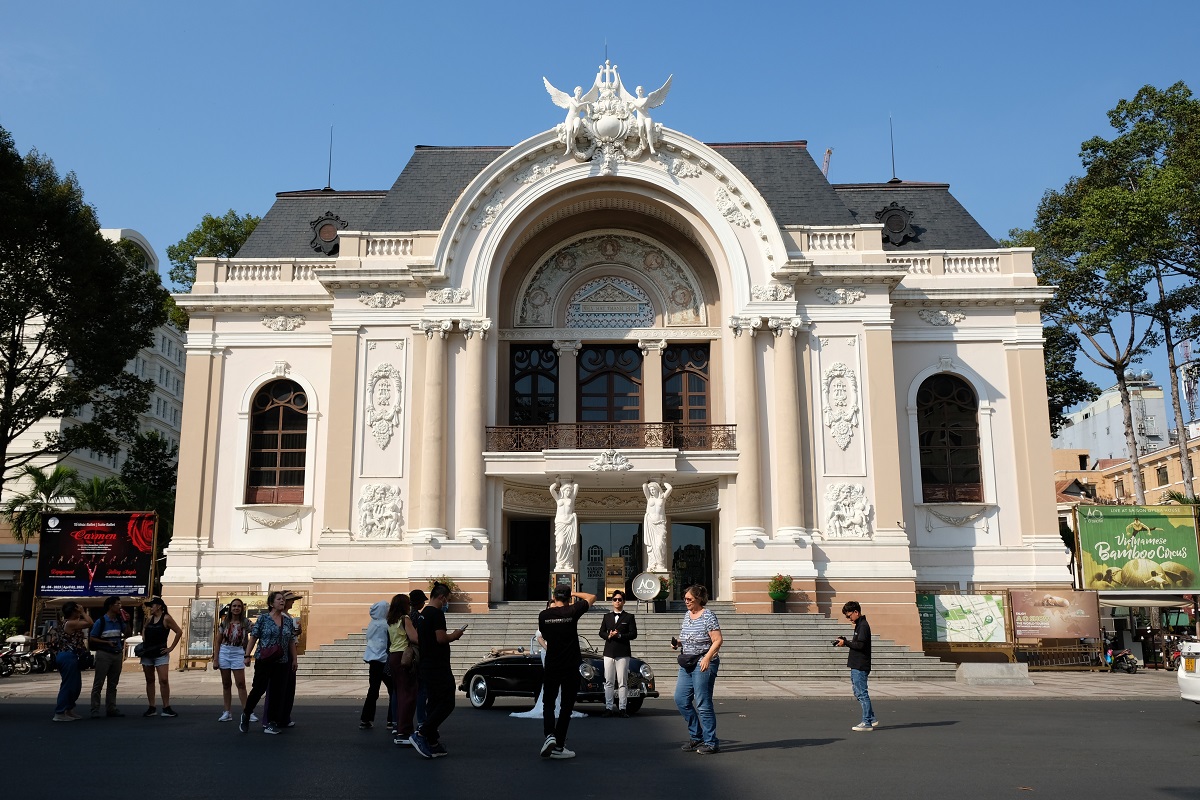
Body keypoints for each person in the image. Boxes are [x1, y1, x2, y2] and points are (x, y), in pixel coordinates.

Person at [537, 585, 596, 759]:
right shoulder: (572, 611)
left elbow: (545, 636)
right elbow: (592, 597)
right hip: (570, 665)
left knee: (548, 702)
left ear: (554, 597)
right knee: (566, 706)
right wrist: (575, 593)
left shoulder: (544, 615)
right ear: (569, 598)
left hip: (552, 664)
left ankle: (549, 735)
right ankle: (559, 745)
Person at [410, 582, 465, 759]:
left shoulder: (423, 614)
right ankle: (422, 734)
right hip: (438, 666)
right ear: (441, 597)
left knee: (433, 703)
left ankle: (432, 742)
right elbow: (440, 638)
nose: (446, 603)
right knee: (447, 702)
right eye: (446, 600)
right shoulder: (437, 614)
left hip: (426, 664)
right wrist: (455, 635)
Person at [672, 584, 722, 754]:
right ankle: (697, 736)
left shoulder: (708, 616)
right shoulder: (687, 615)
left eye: (689, 599)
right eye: (685, 599)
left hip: (703, 663)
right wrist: (678, 643)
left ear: (699, 599)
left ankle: (711, 742)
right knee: (680, 699)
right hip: (687, 662)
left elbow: (717, 640)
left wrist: (707, 658)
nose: (686, 601)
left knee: (703, 703)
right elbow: (688, 637)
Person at [240, 590, 298, 735]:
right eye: (279, 599)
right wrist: (247, 655)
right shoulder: (263, 619)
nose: (282, 601)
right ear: (271, 603)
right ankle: (246, 713)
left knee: (277, 692)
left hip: (282, 661)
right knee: (259, 689)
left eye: (283, 599)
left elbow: (291, 641)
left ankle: (271, 723)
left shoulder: (287, 621)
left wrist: (294, 659)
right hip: (264, 659)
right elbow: (254, 637)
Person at [835, 600, 877, 731]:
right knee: (858, 692)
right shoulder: (859, 625)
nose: (849, 619)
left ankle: (867, 722)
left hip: (860, 665)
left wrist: (846, 643)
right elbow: (858, 643)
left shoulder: (863, 626)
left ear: (856, 612)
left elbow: (860, 645)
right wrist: (845, 641)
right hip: (857, 664)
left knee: (862, 693)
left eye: (849, 616)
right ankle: (871, 718)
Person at [213, 599, 257, 724]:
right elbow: (218, 642)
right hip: (225, 652)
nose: (236, 608)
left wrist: (248, 654)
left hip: (238, 652)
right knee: (226, 684)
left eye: (239, 606)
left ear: (242, 609)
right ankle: (227, 712)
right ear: (230, 608)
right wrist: (215, 659)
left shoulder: (246, 622)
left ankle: (247, 712)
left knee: (241, 683)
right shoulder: (224, 622)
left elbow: (255, 635)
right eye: (234, 606)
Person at [263, 590, 302, 728]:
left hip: (288, 653)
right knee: (277, 687)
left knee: (287, 687)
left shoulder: (288, 618)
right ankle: (272, 718)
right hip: (278, 654)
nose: (292, 602)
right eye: (289, 600)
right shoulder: (274, 618)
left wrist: (294, 658)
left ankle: (283, 716)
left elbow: (291, 639)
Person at [140, 597, 182, 718]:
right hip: (147, 653)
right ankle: (151, 706)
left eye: (152, 606)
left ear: (159, 606)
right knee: (149, 680)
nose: (150, 608)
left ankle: (166, 706)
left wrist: (171, 648)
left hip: (160, 653)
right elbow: (144, 628)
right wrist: (144, 638)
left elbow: (179, 631)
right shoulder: (149, 619)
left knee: (163, 680)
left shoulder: (166, 618)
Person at [386, 594, 420, 745]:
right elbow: (414, 638)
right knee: (409, 694)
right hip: (404, 656)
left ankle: (400, 727)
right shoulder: (405, 619)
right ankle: (404, 732)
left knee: (400, 693)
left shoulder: (391, 621)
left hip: (393, 656)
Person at [598, 590, 638, 717]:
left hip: (623, 652)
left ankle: (622, 708)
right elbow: (601, 632)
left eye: (620, 599)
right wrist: (609, 635)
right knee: (609, 681)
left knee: (622, 682)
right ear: (612, 602)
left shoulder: (629, 617)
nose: (617, 602)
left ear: (624, 602)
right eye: (615, 599)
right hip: (609, 651)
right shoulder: (607, 616)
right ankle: (608, 707)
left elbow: (633, 634)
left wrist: (620, 635)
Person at [52, 601, 93, 722]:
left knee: (75, 685)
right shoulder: (69, 623)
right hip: (67, 656)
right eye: (77, 610)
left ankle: (68, 709)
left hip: (71, 656)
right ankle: (60, 712)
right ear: (74, 611)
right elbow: (90, 623)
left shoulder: (66, 622)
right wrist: (83, 612)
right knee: (68, 685)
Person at [88, 595, 128, 718]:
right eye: (118, 604)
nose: (120, 606)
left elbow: (127, 633)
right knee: (99, 682)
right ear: (110, 606)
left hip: (117, 653)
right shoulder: (101, 621)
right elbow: (92, 638)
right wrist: (106, 643)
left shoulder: (119, 621)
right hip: (104, 654)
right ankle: (95, 709)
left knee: (113, 683)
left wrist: (126, 621)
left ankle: (111, 708)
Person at [360, 599, 393, 731]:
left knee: (373, 690)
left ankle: (366, 719)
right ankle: (391, 719)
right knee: (393, 690)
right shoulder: (386, 625)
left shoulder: (372, 624)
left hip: (373, 661)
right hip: (384, 660)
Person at [408, 589, 428, 728]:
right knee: (422, 689)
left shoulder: (407, 615)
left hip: (407, 654)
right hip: (416, 654)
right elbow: (417, 637)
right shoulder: (417, 617)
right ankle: (421, 720)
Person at [642, 480, 673, 572]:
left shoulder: (662, 498)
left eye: (653, 489)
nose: (652, 491)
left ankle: (660, 564)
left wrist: (664, 482)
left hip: (660, 524)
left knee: (660, 545)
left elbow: (670, 488)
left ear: (657, 489)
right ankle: (653, 564)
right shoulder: (649, 499)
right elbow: (644, 486)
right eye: (650, 490)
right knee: (652, 546)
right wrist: (648, 482)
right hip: (651, 524)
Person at [549, 479, 579, 572]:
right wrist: (557, 483)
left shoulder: (571, 500)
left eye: (570, 491)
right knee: (561, 543)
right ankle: (560, 563)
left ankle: (567, 564)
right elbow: (551, 489)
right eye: (567, 490)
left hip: (569, 523)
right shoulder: (558, 499)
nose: (569, 492)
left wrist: (573, 484)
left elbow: (576, 487)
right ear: (563, 490)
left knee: (568, 544)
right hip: (560, 523)